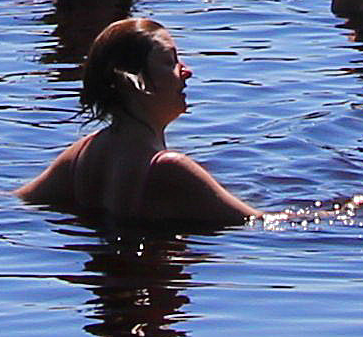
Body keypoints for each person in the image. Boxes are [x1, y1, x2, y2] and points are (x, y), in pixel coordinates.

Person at [18, 16, 255, 231]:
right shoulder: (169, 168)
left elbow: (18, 201)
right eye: (170, 61)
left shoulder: (82, 153)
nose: (187, 71)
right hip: (150, 265)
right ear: (134, 82)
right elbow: (256, 223)